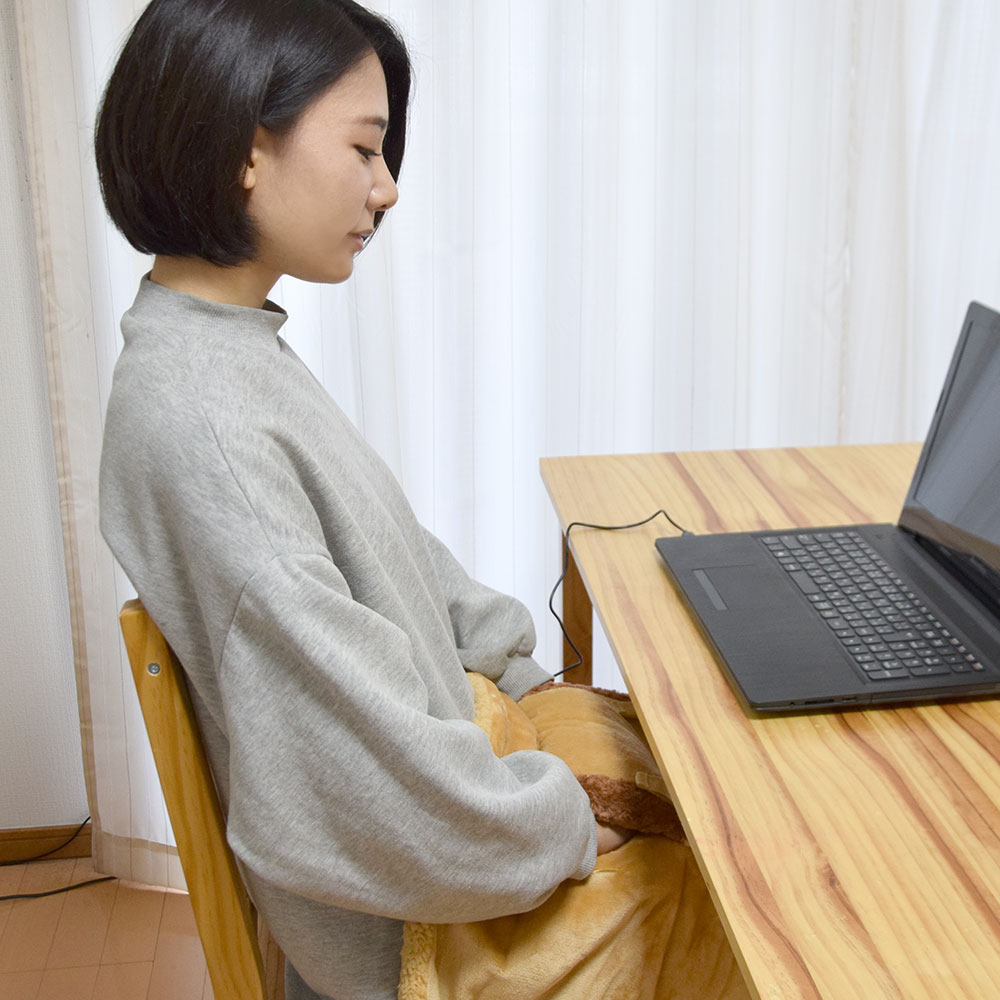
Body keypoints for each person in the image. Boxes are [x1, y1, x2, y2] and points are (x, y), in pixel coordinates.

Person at [95, 2, 633, 998]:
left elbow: (382, 550)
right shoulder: (202, 420)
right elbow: (354, 768)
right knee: (775, 907)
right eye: (365, 149)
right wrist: (552, 818)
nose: (385, 190)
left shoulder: (219, 344)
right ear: (246, 148)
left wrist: (519, 678)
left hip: (438, 842)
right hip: (416, 936)